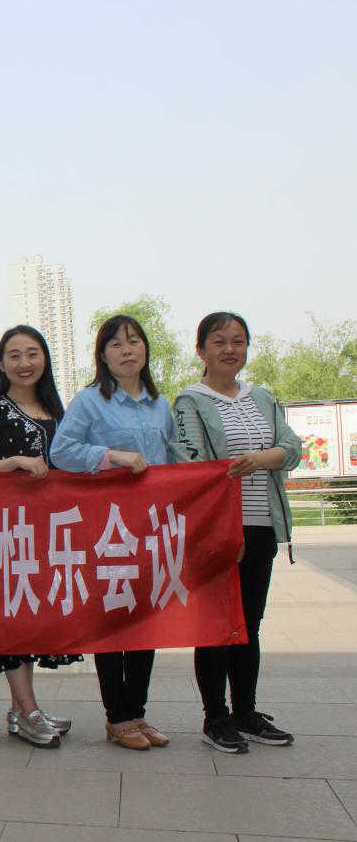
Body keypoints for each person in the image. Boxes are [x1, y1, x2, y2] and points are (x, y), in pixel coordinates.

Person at [170, 312, 302, 754]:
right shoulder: (190, 402)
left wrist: (260, 459)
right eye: (219, 341)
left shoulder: (261, 397)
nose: (230, 349)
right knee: (216, 625)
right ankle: (216, 718)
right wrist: (227, 522)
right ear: (201, 350)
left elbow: (292, 448)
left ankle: (246, 711)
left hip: (262, 524)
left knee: (250, 622)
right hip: (218, 529)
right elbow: (194, 465)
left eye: (238, 341)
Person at [51, 315, 173, 751]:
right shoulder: (89, 401)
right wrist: (112, 456)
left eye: (134, 341)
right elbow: (61, 451)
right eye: (116, 344)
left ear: (145, 349)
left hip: (151, 527)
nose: (127, 350)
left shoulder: (161, 404)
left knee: (145, 622)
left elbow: (174, 463)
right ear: (102, 355)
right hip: (108, 529)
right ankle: (117, 717)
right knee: (112, 620)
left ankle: (137, 712)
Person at [0, 325, 80, 748]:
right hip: (7, 531)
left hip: (49, 530)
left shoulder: (58, 411)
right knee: (12, 617)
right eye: (14, 355)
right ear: (1, 364)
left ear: (45, 359)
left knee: (32, 616)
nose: (24, 363)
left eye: (32, 353)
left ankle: (21, 711)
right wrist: (14, 461)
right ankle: (28, 711)